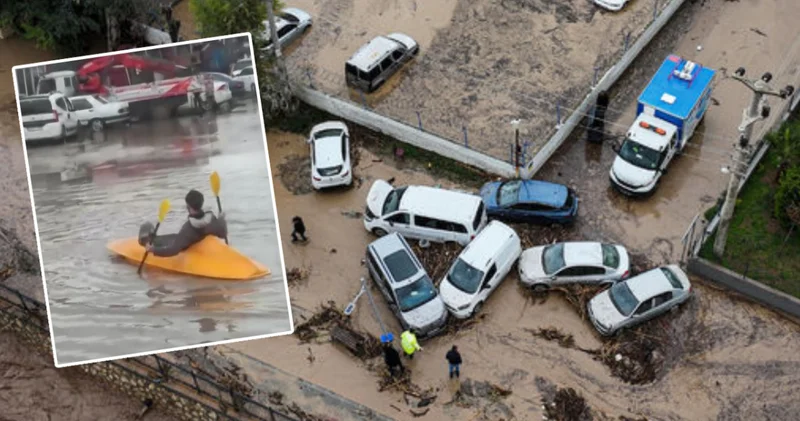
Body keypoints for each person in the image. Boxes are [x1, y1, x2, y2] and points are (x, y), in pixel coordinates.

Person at [139, 189, 227, 257]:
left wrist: (153, 250)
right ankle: (153, 239)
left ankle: (149, 240)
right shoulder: (212, 219)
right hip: (199, 245)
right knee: (173, 237)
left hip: (187, 244)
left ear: (188, 206)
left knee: (168, 240)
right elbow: (223, 233)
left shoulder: (188, 229)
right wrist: (221, 219)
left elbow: (173, 250)